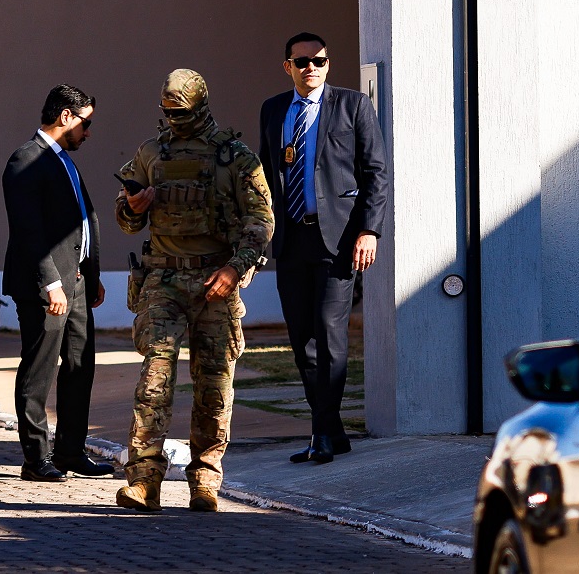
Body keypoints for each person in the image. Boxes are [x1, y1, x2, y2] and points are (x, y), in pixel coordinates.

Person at [114, 69, 273, 512]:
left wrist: (235, 269)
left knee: (214, 385)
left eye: (182, 112)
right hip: (162, 282)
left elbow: (261, 221)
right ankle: (144, 481)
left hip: (215, 283)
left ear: (201, 106)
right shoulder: (150, 153)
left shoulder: (235, 157)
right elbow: (126, 220)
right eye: (168, 112)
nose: (175, 120)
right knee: (154, 380)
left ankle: (205, 479)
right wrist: (132, 208)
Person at [259, 32, 388, 464]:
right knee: (302, 339)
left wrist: (369, 231)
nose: (311, 67)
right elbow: (266, 177)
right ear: (288, 67)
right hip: (291, 238)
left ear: (328, 64)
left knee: (330, 335)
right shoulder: (273, 109)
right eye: (302, 62)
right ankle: (331, 430)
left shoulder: (353, 105)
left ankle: (320, 435)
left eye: (319, 61)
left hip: (338, 239)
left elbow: (376, 173)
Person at [1, 84, 112, 483]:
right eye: (86, 123)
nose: (88, 132)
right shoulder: (25, 159)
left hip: (76, 282)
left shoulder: (64, 161)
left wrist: (92, 275)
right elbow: (29, 231)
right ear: (66, 116)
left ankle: (70, 451)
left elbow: (82, 220)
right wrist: (51, 284)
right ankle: (36, 458)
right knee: (40, 369)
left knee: (80, 366)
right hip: (45, 287)